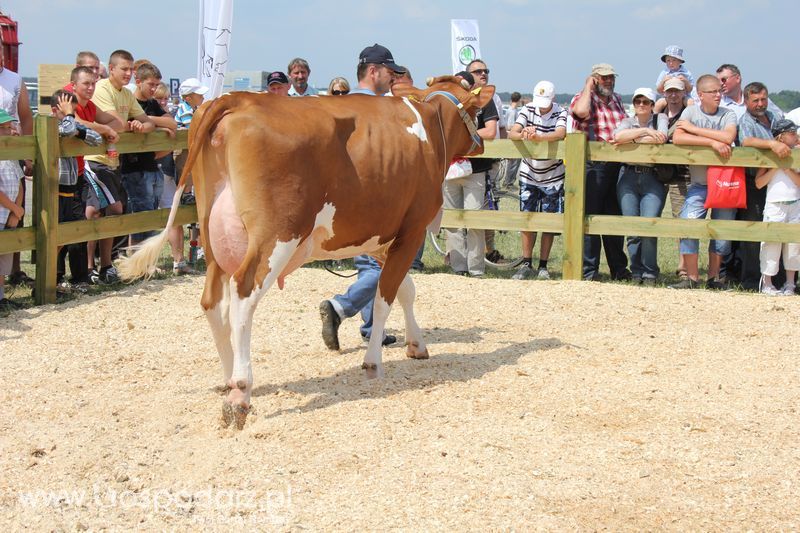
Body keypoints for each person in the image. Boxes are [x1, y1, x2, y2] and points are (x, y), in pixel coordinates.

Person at [318, 43, 407, 350]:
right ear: (373, 71)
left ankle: (373, 330)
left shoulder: (342, 105)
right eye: (389, 72)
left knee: (372, 266)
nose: (393, 78)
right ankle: (340, 306)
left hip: (345, 198)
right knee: (385, 265)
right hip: (374, 199)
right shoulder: (379, 109)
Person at [86, 49, 155, 283]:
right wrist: (132, 124)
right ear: (111, 68)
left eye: (131, 69)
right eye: (124, 69)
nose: (128, 73)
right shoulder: (102, 89)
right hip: (94, 160)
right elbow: (115, 123)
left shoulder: (125, 94)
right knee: (101, 212)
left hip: (112, 161)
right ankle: (90, 268)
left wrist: (139, 126)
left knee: (109, 213)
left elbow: (146, 123)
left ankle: (105, 265)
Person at [669, 74, 738, 290]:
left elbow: (728, 138)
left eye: (720, 91)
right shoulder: (691, 111)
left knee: (721, 231)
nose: (718, 95)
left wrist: (695, 130)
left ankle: (714, 278)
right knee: (688, 225)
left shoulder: (729, 114)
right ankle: (691, 277)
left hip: (724, 185)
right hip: (699, 184)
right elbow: (678, 138)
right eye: (713, 92)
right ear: (701, 95)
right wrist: (711, 142)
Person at [569, 63, 631, 281]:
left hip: (616, 163)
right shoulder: (584, 97)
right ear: (594, 78)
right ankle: (589, 270)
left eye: (611, 77)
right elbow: (580, 112)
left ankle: (619, 268)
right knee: (590, 217)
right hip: (594, 165)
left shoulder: (617, 99)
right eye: (603, 78)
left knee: (613, 217)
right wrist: (588, 86)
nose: (609, 81)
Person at [66, 66, 124, 283]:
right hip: (77, 170)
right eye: (86, 84)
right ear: (74, 85)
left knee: (94, 214)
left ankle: (96, 267)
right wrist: (104, 129)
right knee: (93, 214)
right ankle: (89, 269)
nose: (91, 88)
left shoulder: (90, 106)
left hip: (83, 169)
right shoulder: (70, 104)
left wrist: (106, 128)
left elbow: (118, 123)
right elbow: (73, 122)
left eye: (93, 83)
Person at [736, 82, 794, 290]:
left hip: (779, 182)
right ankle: (753, 280)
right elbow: (746, 140)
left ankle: (780, 280)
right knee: (755, 232)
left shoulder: (774, 117)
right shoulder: (745, 120)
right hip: (756, 182)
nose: (760, 104)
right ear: (746, 101)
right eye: (755, 100)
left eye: (763, 99)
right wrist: (772, 143)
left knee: (780, 232)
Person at [507, 80, 567, 281]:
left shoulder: (561, 112)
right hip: (529, 173)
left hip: (553, 175)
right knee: (527, 219)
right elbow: (512, 132)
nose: (541, 107)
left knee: (549, 222)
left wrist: (539, 137)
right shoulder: (527, 109)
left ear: (553, 99)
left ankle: (543, 264)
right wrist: (524, 133)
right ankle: (526, 262)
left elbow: (561, 132)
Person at [443, 69, 498, 277]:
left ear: (472, 87)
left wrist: (460, 139)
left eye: (465, 86)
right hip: (450, 169)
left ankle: (476, 269)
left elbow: (491, 131)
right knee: (451, 220)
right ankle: (459, 267)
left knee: (474, 219)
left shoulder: (483, 101)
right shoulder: (446, 103)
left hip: (476, 169)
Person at [612, 88, 669, 285]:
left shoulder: (660, 118)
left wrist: (632, 138)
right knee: (632, 228)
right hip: (627, 175)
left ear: (653, 105)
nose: (641, 105)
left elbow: (661, 137)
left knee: (649, 225)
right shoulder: (627, 121)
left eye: (646, 102)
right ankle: (636, 271)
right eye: (638, 102)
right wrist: (645, 131)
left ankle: (650, 272)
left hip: (652, 177)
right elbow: (617, 137)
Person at [51, 90, 102, 292]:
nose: (71, 114)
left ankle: (76, 277)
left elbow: (96, 139)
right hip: (53, 189)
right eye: (67, 110)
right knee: (55, 236)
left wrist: (77, 128)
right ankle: (51, 279)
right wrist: (70, 118)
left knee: (73, 231)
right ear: (56, 110)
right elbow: (66, 129)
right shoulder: (51, 124)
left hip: (71, 188)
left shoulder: (71, 125)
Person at [122, 62, 176, 247]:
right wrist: (157, 124)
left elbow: (172, 123)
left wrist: (149, 121)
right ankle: (138, 261)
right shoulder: (129, 101)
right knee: (141, 218)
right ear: (138, 81)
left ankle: (143, 261)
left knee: (150, 216)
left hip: (153, 165)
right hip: (134, 167)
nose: (154, 89)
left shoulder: (152, 104)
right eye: (151, 84)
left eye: (156, 85)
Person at [0, 31, 34, 287]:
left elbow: (26, 117)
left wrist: (28, 154)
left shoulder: (14, 80)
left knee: (15, 214)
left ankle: (13, 271)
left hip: (11, 153)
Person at [466, 59, 505, 262]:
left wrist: (505, 150)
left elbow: (499, 130)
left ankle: (488, 251)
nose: (483, 74)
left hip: (488, 160)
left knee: (486, 206)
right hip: (464, 161)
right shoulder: (462, 98)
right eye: (478, 71)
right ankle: (452, 254)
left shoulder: (493, 98)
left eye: (486, 70)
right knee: (458, 209)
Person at [755, 119, 800, 296]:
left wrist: (786, 167)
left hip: (795, 203)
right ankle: (767, 283)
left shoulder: (796, 155)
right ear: (781, 137)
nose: (795, 136)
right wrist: (776, 166)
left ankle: (790, 283)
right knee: (770, 243)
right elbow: (759, 182)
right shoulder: (769, 155)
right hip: (774, 204)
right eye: (792, 133)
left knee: (794, 245)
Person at [153, 81, 193, 274]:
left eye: (165, 99)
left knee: (173, 215)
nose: (163, 102)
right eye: (159, 99)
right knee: (144, 217)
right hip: (147, 170)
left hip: (166, 170)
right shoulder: (147, 115)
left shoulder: (166, 116)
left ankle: (179, 260)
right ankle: (146, 264)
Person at [661, 78, 692, 280]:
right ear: (664, 93)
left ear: (683, 94)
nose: (673, 95)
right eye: (670, 91)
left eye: (677, 91)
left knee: (682, 220)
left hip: (683, 175)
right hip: (660, 173)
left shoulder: (688, 115)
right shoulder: (659, 115)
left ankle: (684, 266)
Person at [0, 109, 24, 311]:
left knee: (4, 256)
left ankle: (1, 297)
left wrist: (16, 212)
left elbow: (20, 183)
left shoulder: (12, 156)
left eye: (10, 127)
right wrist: (14, 208)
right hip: (2, 212)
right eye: (3, 128)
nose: (9, 132)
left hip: (9, 215)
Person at [715, 64, 783, 120]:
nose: (720, 83)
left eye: (723, 79)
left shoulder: (759, 99)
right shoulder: (717, 104)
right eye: (718, 81)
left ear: (738, 78)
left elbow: (780, 117)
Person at [502, 91, 524, 188]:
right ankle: (508, 182)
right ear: (519, 100)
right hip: (512, 140)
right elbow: (509, 126)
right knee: (513, 162)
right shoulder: (512, 111)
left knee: (514, 162)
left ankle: (509, 181)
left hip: (512, 138)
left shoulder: (512, 110)